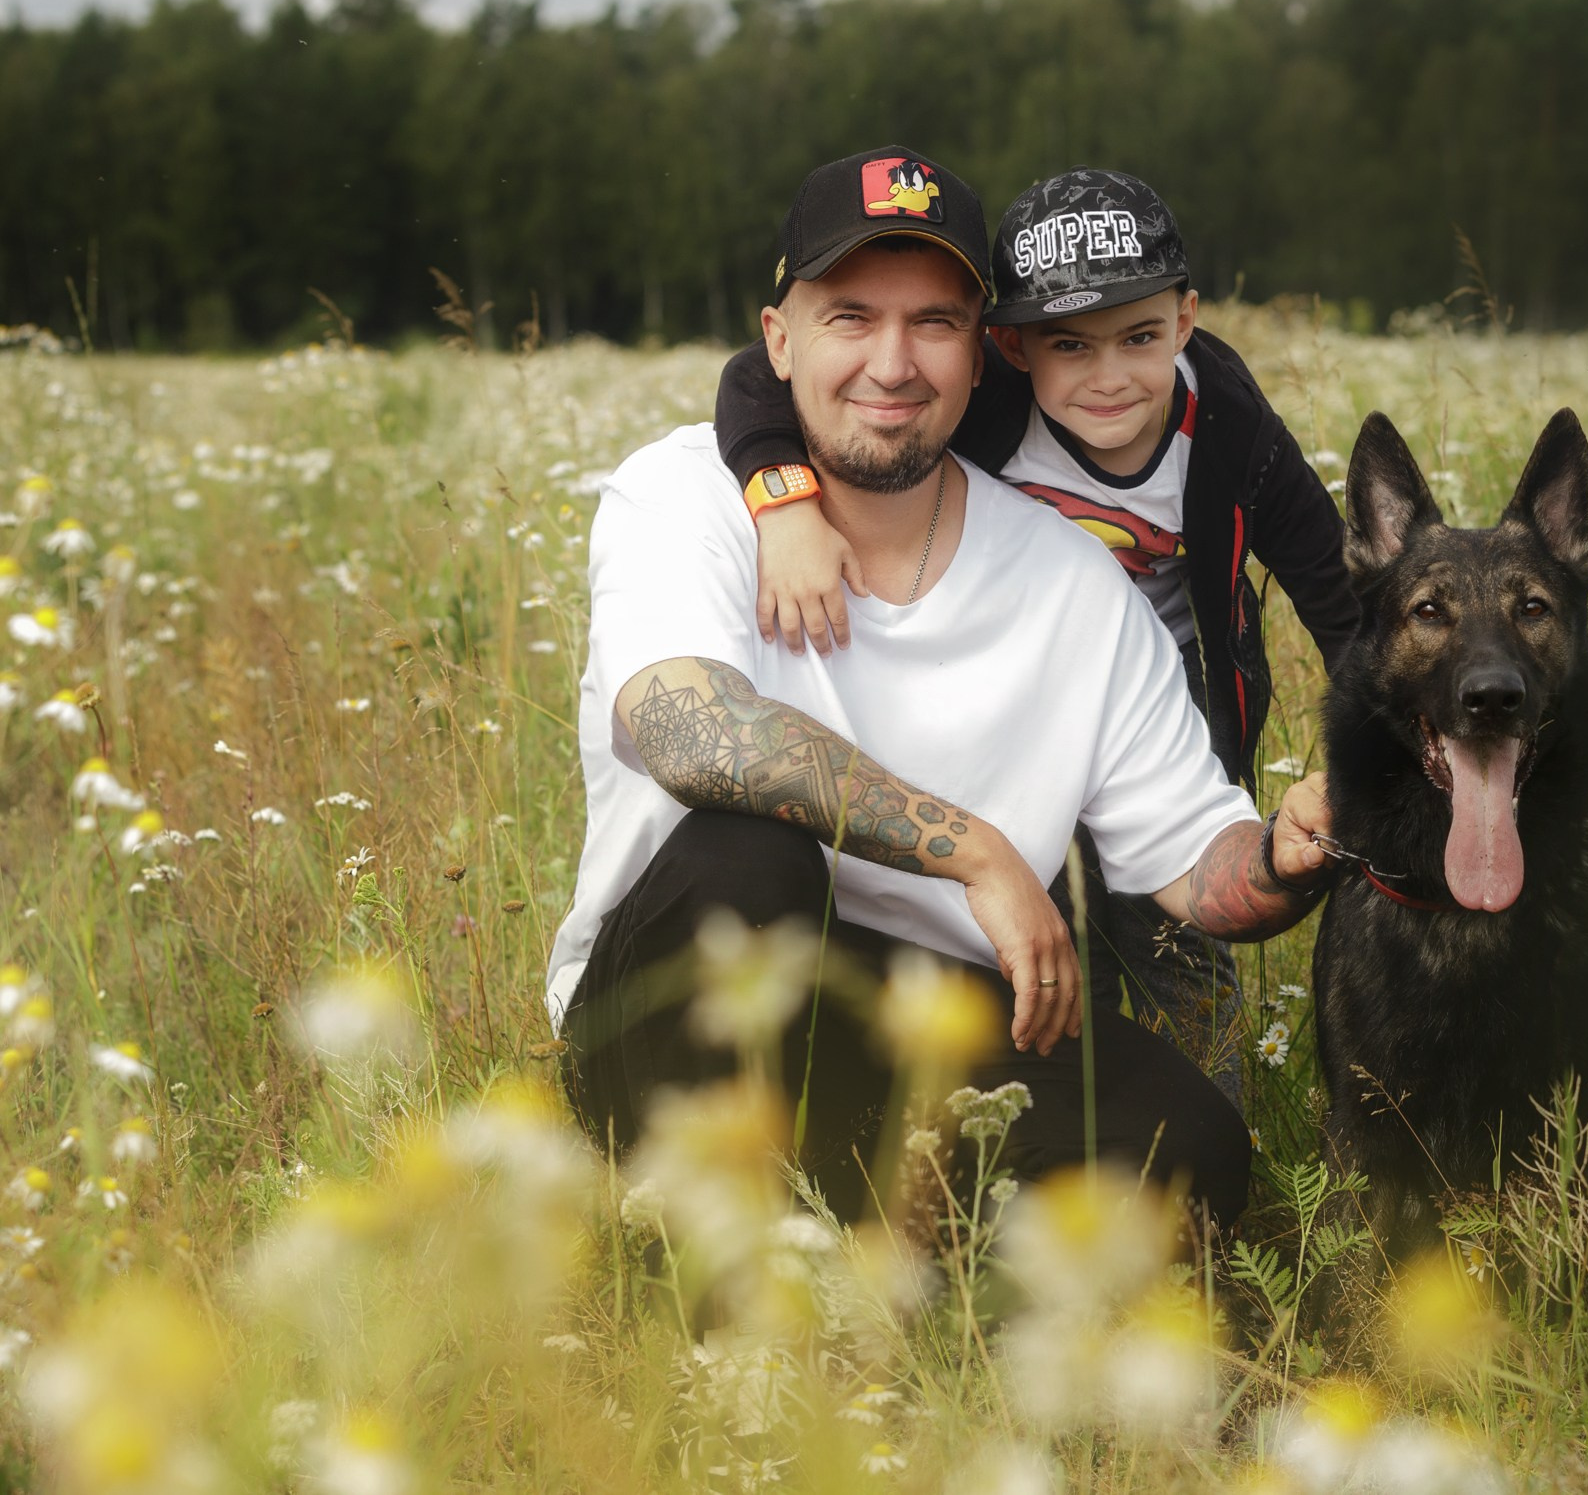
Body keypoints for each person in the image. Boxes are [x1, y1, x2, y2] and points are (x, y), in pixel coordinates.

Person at [551, 147, 1335, 1226]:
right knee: (747, 852)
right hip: (679, 1002)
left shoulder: (1070, 579)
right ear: (778, 338)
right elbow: (691, 734)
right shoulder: (681, 494)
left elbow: (1195, 865)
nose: (892, 360)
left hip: (933, 1034)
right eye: (850, 316)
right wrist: (975, 850)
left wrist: (1293, 852)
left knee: (1189, 1144)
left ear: (982, 357)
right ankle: (695, 1240)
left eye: (933, 322)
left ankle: (893, 1261)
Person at [712, 164, 1357, 1102]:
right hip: (1024, 689)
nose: (1107, 378)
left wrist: (1360, 754)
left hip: (1172, 693)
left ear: (1186, 321)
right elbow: (753, 379)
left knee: (1177, 944)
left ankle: (1220, 1133)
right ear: (1008, 348)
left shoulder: (1226, 424)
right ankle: (1064, 1096)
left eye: (1140, 337)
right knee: (1051, 914)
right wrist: (784, 501)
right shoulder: (986, 405)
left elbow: (1337, 594)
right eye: (1069, 344)